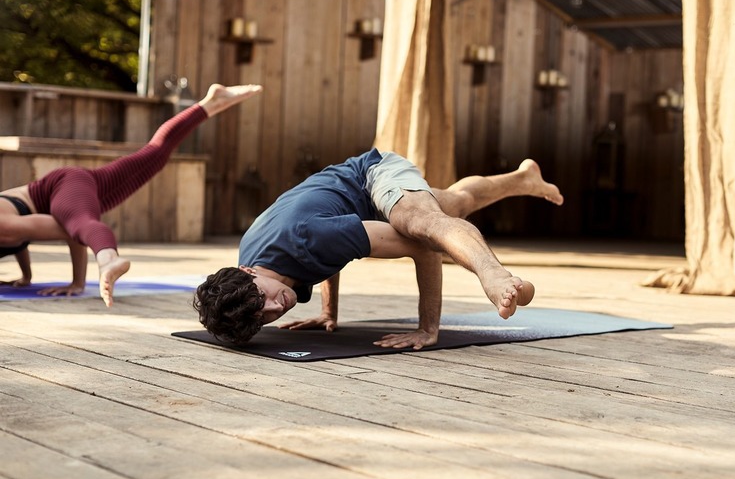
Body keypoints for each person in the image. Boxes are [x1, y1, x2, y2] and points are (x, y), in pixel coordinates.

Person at [194, 149, 564, 349]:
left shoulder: (307, 236)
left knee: (424, 225)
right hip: (349, 206)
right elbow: (324, 257)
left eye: (265, 299)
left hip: (370, 175)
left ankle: (495, 276)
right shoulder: (257, 267)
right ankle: (523, 178)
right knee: (457, 202)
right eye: (265, 317)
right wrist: (328, 312)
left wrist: (427, 328)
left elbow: (424, 248)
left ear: (248, 273)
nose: (277, 307)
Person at [0, 83, 263, 307]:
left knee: (81, 224)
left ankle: (109, 261)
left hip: (63, 189)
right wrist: (26, 277)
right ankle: (211, 102)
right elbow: (21, 241)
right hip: (75, 191)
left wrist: (78, 280)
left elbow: (70, 230)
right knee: (155, 155)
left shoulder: (5, 225)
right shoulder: (9, 229)